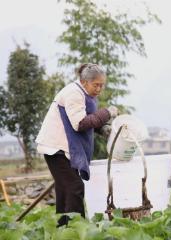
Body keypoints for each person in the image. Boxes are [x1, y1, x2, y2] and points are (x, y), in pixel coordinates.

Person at [36, 63, 117, 227]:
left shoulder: (85, 94)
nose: (99, 89)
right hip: (56, 148)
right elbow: (79, 123)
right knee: (75, 187)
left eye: (102, 85)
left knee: (64, 191)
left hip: (64, 148)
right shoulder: (74, 93)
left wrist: (102, 129)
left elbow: (88, 118)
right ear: (85, 81)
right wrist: (107, 113)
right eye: (96, 85)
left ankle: (63, 229)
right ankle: (77, 229)